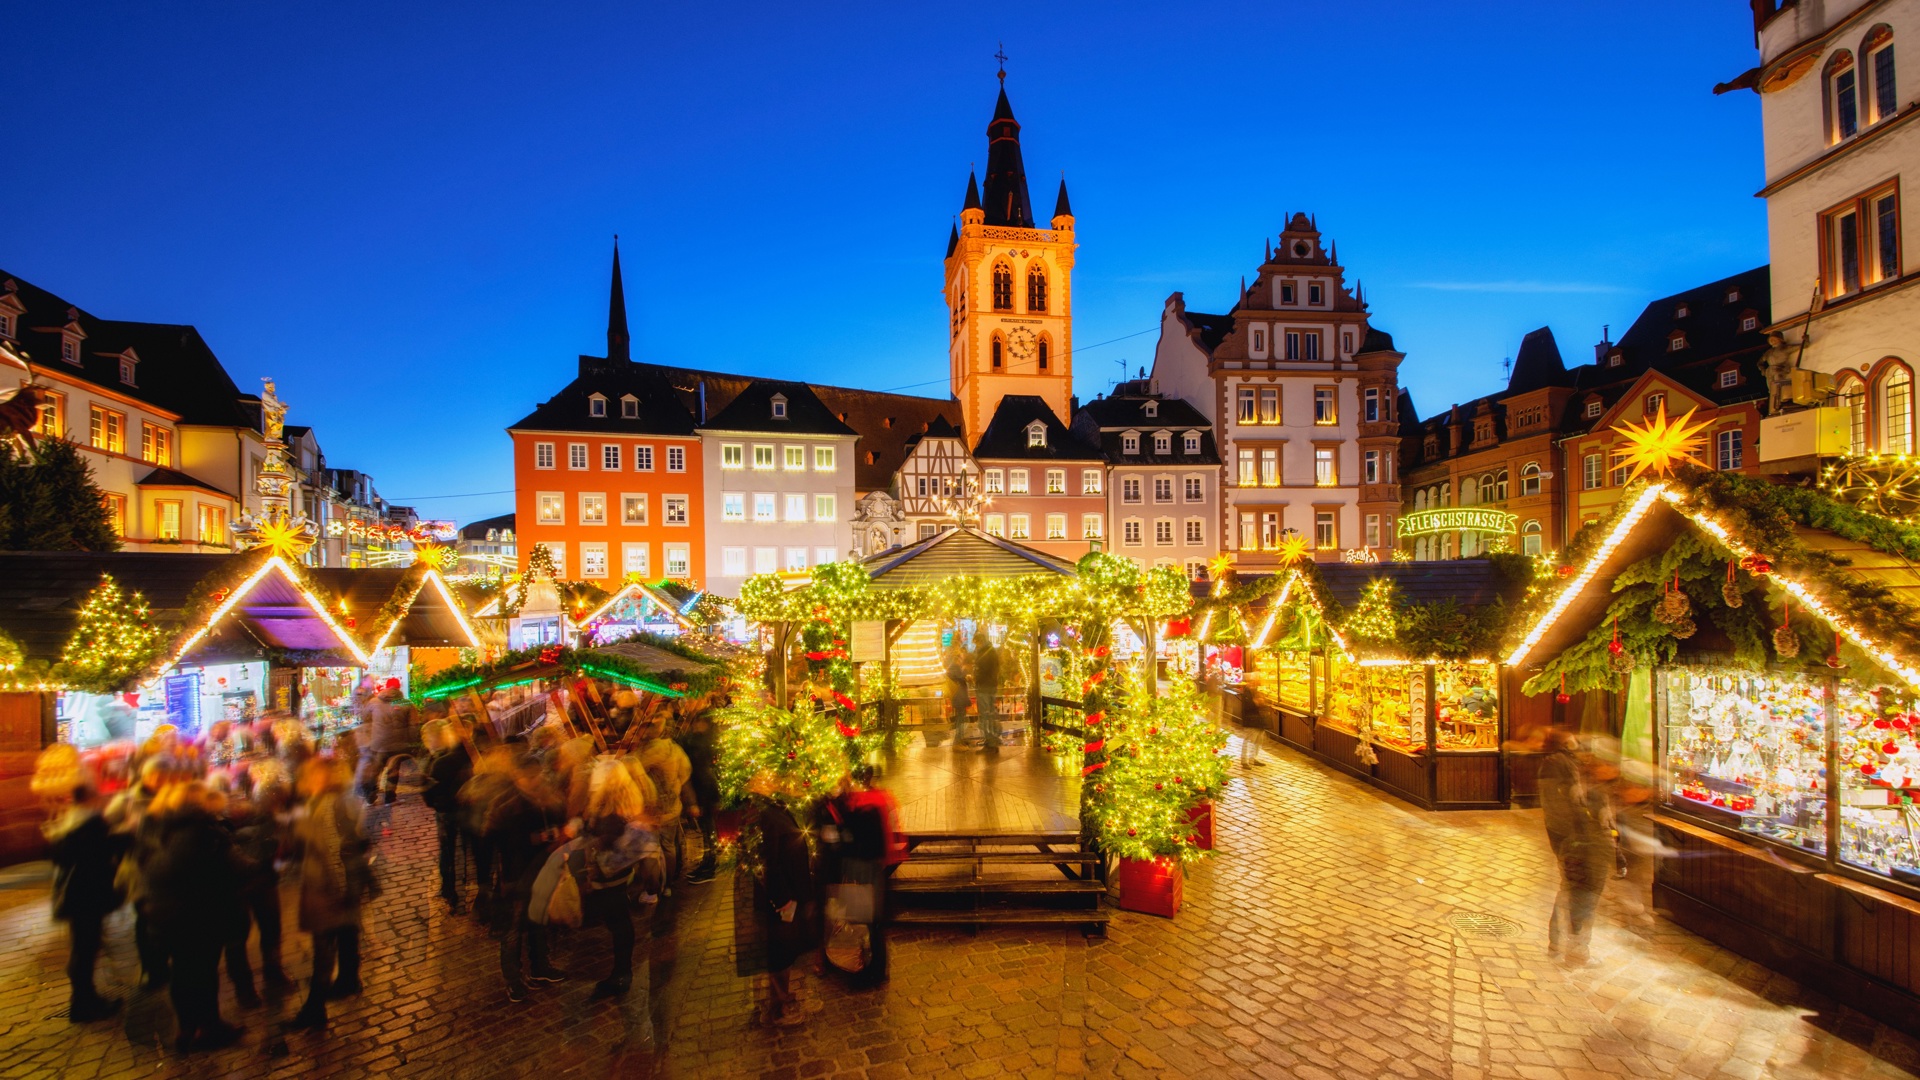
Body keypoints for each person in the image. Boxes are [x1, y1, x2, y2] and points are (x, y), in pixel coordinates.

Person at [144, 782, 246, 1053]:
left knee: (181, 972)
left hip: (167, 917)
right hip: (200, 915)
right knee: (203, 972)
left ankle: (186, 1027)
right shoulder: (205, 833)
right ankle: (209, 1026)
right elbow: (232, 869)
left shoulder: (165, 828)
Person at [35, 748, 129, 1024]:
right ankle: (83, 1004)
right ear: (89, 798)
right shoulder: (87, 825)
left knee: (85, 948)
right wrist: (124, 837)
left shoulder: (71, 824)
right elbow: (98, 854)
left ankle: (87, 998)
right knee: (85, 949)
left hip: (79, 895)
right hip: (85, 896)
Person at [288, 758, 372, 1031]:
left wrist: (339, 890)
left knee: (323, 948)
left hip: (329, 886)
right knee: (347, 931)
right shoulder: (330, 800)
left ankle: (315, 1007)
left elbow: (338, 849)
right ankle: (348, 980)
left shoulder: (329, 804)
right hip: (335, 884)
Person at [492, 753, 569, 1002]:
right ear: (518, 776)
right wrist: (542, 838)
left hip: (542, 869)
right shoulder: (508, 804)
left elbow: (557, 818)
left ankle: (540, 968)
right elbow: (504, 842)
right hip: (516, 874)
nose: (536, 780)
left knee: (539, 919)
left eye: (538, 775)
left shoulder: (543, 797)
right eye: (531, 777)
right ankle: (514, 980)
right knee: (513, 929)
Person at [1538, 730, 1612, 966]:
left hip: (1570, 840)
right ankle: (1576, 949)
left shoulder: (1569, 772)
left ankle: (1559, 943)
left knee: (1570, 890)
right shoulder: (1578, 780)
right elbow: (1579, 815)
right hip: (1580, 844)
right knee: (1583, 896)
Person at [826, 766, 902, 987]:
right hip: (875, 868)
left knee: (870, 922)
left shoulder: (860, 806)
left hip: (864, 870)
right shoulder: (879, 799)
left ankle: (874, 970)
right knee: (873, 923)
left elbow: (850, 840)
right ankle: (876, 967)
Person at [224, 765, 293, 1004]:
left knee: (270, 929)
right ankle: (245, 989)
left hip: (262, 879)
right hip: (238, 884)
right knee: (237, 938)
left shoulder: (269, 812)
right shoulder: (236, 814)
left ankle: (272, 973)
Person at [751, 773, 814, 1027]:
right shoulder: (766, 814)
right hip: (782, 898)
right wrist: (783, 901)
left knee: (785, 950)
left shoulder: (776, 808)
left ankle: (782, 997)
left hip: (789, 894)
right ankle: (778, 1007)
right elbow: (770, 863)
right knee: (780, 951)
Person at [421, 719, 474, 914]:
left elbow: (428, 791)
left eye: (426, 736)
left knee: (449, 853)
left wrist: (436, 803)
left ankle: (451, 893)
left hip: (447, 812)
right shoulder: (465, 754)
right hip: (464, 810)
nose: (424, 740)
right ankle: (456, 891)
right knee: (463, 852)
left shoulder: (440, 761)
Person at [678, 700, 722, 884]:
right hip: (706, 790)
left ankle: (709, 866)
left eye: (698, 722)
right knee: (707, 829)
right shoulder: (705, 741)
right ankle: (707, 863)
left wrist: (695, 801)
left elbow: (701, 771)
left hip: (703, 791)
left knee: (707, 829)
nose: (695, 725)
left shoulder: (699, 744)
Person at [359, 678, 416, 807]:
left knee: (375, 770)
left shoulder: (374, 702)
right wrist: (411, 743)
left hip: (378, 744)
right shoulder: (407, 703)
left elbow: (364, 717)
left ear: (386, 687)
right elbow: (413, 725)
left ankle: (370, 798)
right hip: (398, 745)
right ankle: (389, 799)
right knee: (393, 771)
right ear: (398, 687)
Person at [972, 634, 1003, 752]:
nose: (975, 646)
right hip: (991, 685)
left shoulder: (984, 653)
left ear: (979, 641)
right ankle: (992, 739)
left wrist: (975, 677)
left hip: (984, 686)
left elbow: (982, 670)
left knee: (986, 714)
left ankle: (990, 742)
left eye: (976, 643)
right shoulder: (992, 652)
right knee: (990, 712)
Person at [943, 637, 972, 748]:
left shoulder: (953, 667)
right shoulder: (954, 667)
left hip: (959, 697)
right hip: (959, 697)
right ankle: (957, 740)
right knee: (961, 719)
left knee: (962, 718)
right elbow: (959, 677)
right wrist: (966, 676)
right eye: (960, 657)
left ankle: (960, 738)